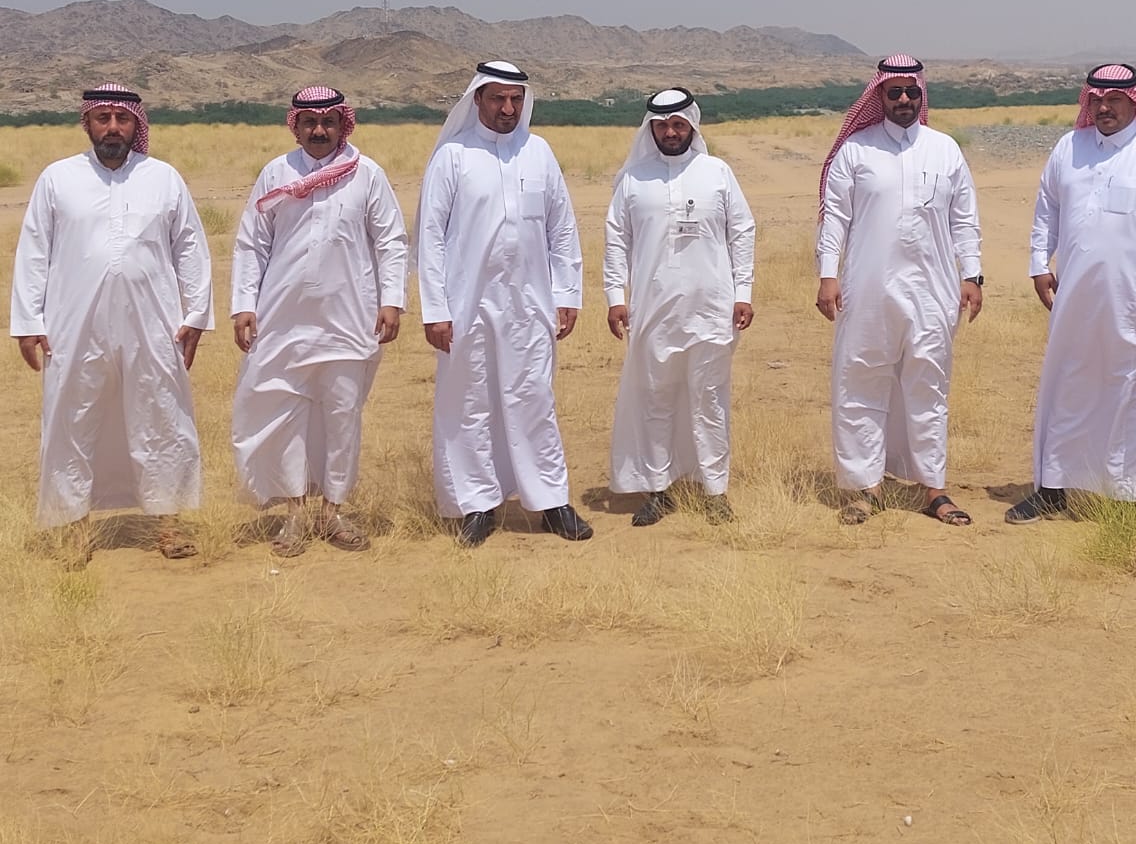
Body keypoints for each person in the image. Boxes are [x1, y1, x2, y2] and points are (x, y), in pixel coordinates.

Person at [9, 84, 212, 558]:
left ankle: (167, 527)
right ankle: (75, 532)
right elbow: (34, 251)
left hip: (154, 322)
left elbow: (190, 248)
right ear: (88, 124)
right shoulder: (58, 178)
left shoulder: (163, 178)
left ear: (136, 124)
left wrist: (197, 314)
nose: (113, 128)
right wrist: (28, 321)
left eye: (122, 119)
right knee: (72, 419)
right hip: (73, 324)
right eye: (103, 118)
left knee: (160, 415)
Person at [1009, 63, 1136, 523]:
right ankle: (1053, 489)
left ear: (1134, 102)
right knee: (1067, 385)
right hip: (1074, 297)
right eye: (1096, 100)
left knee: (1131, 388)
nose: (1103, 108)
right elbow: (1046, 209)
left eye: (1114, 99)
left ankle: (1123, 497)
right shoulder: (1069, 148)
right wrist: (1039, 264)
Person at [416, 60, 593, 545]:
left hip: (531, 305)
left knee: (534, 398)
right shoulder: (452, 156)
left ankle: (550, 501)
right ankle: (478, 505)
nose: (507, 108)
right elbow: (429, 238)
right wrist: (435, 309)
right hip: (465, 305)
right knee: (469, 402)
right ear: (477, 99)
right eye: (497, 98)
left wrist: (567, 293)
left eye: (516, 99)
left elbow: (562, 229)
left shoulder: (539, 153)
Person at [230, 86, 408, 556]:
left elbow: (391, 241)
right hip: (282, 317)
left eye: (328, 121)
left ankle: (333, 511)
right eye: (309, 121)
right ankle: (294, 512)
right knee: (286, 412)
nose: (319, 130)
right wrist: (244, 304)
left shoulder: (367, 174)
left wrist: (392, 300)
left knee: (342, 414)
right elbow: (252, 244)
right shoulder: (276, 173)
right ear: (296, 126)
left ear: (342, 124)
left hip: (349, 318)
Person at [815, 54, 983, 526]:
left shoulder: (945, 149)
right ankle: (865, 488)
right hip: (867, 288)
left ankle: (934, 489)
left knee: (929, 386)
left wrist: (973, 274)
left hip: (934, 289)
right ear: (880, 96)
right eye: (895, 92)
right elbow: (835, 219)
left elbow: (965, 219)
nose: (904, 98)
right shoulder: (856, 150)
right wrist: (828, 274)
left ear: (921, 94)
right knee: (861, 383)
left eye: (912, 91)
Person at [603, 88, 756, 526]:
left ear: (692, 125)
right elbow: (616, 240)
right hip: (652, 311)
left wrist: (743, 291)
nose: (670, 132)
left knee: (710, 400)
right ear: (650, 129)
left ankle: (715, 491)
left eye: (678, 124)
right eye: (662, 126)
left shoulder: (717, 173)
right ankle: (658, 490)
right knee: (656, 398)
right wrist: (615, 298)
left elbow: (742, 231)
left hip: (712, 309)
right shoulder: (634, 180)